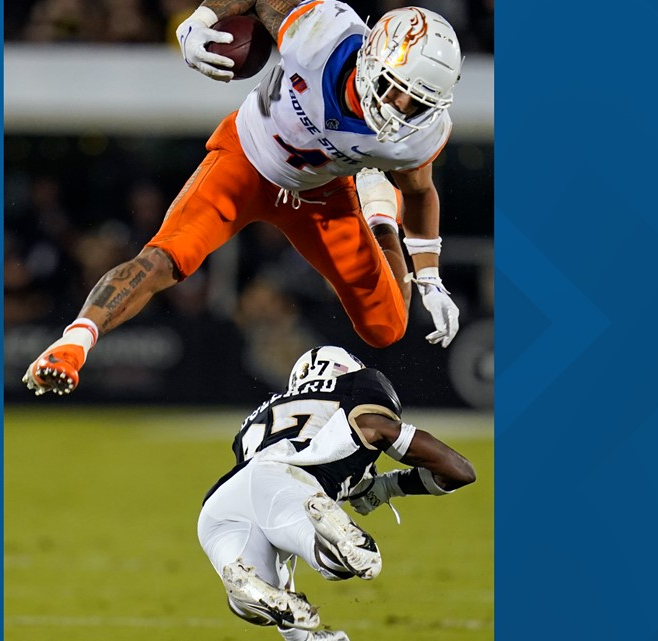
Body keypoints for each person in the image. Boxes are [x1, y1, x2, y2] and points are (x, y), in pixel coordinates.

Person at [24, 0, 464, 396]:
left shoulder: (418, 135)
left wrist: (429, 277)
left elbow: (421, 192)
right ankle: (71, 347)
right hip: (247, 160)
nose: (400, 107)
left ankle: (378, 211)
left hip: (322, 194)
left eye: (418, 104)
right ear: (371, 57)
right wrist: (202, 18)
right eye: (394, 87)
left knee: (386, 327)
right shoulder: (321, 35)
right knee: (165, 258)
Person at [197, 345, 476, 640]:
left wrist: (303, 639)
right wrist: (390, 484)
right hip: (289, 482)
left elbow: (261, 497)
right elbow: (456, 470)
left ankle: (252, 588)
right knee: (351, 562)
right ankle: (333, 528)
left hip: (221, 504)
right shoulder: (353, 388)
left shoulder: (256, 419)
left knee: (257, 599)